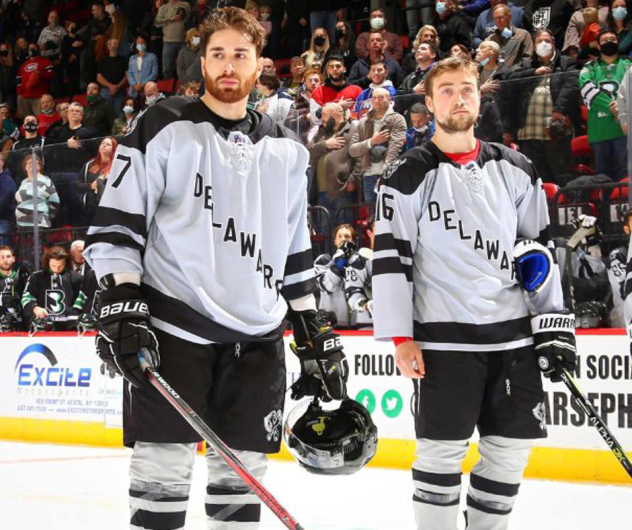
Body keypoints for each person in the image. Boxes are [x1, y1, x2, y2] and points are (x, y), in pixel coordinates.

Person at [83, 8, 349, 530]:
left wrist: (312, 326)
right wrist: (120, 297)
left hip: (259, 336)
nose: (229, 66)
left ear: (259, 65)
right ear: (201, 62)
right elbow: (117, 223)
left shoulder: (287, 152)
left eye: (241, 55)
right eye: (218, 54)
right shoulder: (161, 125)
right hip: (173, 327)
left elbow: (293, 250)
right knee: (163, 469)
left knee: (241, 478)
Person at [372, 56, 576, 530]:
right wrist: (401, 337)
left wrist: (554, 325)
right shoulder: (406, 173)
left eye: (467, 88)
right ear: (428, 102)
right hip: (444, 342)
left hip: (512, 339)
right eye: (446, 89)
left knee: (509, 452)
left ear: (479, 97)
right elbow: (390, 258)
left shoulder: (515, 166)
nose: (458, 97)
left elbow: (538, 254)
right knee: (441, 455)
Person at [508, 28, 580, 181]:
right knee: (534, 177)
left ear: (554, 43)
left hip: (555, 130)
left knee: (560, 174)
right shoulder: (527, 63)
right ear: (533, 45)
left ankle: (561, 202)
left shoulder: (566, 62)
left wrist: (559, 110)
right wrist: (533, 72)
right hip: (529, 131)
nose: (543, 44)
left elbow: (571, 86)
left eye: (547, 41)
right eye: (539, 41)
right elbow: (511, 80)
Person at [579, 29, 630, 180]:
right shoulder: (589, 67)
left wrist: (621, 107)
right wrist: (614, 106)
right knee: (602, 177)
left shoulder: (629, 64)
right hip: (600, 132)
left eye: (613, 39)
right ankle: (604, 204)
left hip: (625, 131)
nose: (609, 42)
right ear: (599, 46)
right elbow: (587, 90)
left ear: (618, 43)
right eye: (605, 40)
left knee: (626, 176)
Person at [348, 88, 407, 204]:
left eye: (380, 97)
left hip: (389, 175)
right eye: (374, 98)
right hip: (368, 175)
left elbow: (395, 149)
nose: (377, 101)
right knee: (372, 217)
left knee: (389, 214)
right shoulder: (363, 122)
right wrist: (372, 141)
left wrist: (385, 175)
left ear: (389, 99)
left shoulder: (397, 119)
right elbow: (353, 150)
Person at [21, 245, 82, 330]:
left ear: (66, 263)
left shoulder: (76, 277)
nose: (57, 269)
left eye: (61, 265)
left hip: (69, 327)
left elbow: (82, 299)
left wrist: (73, 314)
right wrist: (35, 307)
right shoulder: (36, 277)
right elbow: (26, 297)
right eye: (53, 265)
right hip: (43, 326)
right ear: (47, 262)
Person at [314, 223, 357, 327]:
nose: (343, 239)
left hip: (356, 325)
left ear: (353, 241)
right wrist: (338, 263)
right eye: (340, 236)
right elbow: (327, 286)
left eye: (347, 236)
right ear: (335, 241)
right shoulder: (323, 260)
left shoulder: (360, 264)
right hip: (330, 325)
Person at [77, 136, 117, 223]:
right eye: (102, 143)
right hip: (91, 208)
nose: (104, 146)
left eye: (108, 144)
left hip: (111, 207)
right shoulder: (89, 165)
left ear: (113, 149)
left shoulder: (117, 165)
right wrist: (90, 186)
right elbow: (77, 184)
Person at [15, 154, 59, 228]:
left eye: (34, 162)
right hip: (22, 224)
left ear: (40, 166)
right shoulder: (23, 182)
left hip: (38, 225)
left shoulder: (45, 180)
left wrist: (47, 216)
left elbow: (55, 201)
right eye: (28, 163)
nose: (31, 164)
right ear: (25, 167)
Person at [345, 217, 375, 328]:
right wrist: (366, 305)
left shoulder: (401, 256)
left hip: (399, 323)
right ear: (369, 233)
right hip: (367, 324)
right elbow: (352, 294)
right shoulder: (360, 259)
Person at [485, 4, 534, 68]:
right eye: (495, 18)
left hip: (516, 76)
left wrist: (510, 72)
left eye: (500, 17)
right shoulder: (490, 39)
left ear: (509, 17)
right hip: (495, 76)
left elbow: (527, 60)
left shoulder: (523, 35)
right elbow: (484, 61)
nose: (498, 21)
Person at [15, 43, 55, 120]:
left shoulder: (45, 61)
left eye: (34, 48)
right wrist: (19, 91)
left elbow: (52, 73)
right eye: (30, 49)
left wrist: (40, 73)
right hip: (24, 97)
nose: (32, 50)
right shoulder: (24, 64)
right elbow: (18, 78)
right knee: (25, 120)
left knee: (41, 119)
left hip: (39, 97)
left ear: (38, 50)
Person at [154, 0, 190, 79]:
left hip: (183, 41)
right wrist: (171, 19)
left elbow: (190, 20)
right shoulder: (164, 8)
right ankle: (168, 88)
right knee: (167, 69)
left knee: (185, 67)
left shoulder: (186, 5)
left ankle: (185, 88)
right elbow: (157, 23)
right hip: (168, 42)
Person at [97, 38, 129, 115]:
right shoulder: (103, 60)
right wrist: (110, 86)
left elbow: (127, 75)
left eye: (117, 44)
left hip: (120, 90)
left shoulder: (124, 60)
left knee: (119, 114)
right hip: (106, 90)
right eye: (114, 44)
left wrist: (118, 86)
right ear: (109, 46)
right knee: (105, 114)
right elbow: (99, 77)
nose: (116, 46)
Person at [0, 245, 29, 329]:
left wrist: (31, 276)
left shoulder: (21, 277)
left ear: (13, 259)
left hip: (19, 324)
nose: (5, 260)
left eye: (8, 256)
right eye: (2, 257)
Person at [127, 35, 160, 99]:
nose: (140, 44)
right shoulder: (132, 58)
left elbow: (154, 73)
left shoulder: (152, 57)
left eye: (142, 42)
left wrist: (143, 84)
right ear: (136, 44)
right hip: (134, 91)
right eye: (138, 42)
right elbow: (129, 73)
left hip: (148, 90)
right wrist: (134, 85)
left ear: (146, 43)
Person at [0, 154, 16, 246]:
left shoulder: (7, 179)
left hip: (4, 219)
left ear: (2, 162)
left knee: (2, 247)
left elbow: (7, 197)